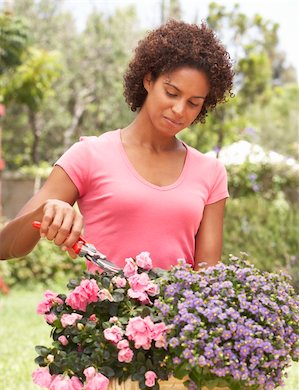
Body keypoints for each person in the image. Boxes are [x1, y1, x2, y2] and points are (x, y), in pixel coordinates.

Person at [0, 20, 234, 271]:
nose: (179, 110)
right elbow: (5, 247)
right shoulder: (89, 155)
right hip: (105, 310)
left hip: (175, 311)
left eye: (193, 103)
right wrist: (46, 212)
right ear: (148, 80)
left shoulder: (210, 172)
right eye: (171, 93)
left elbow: (208, 278)